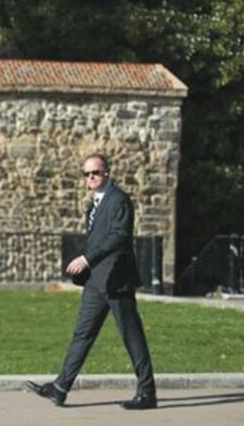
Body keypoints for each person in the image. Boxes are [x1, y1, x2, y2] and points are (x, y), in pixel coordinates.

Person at [25, 153, 157, 410]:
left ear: (107, 172)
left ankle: (147, 393)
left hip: (117, 281)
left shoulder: (119, 200)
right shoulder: (94, 203)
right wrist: (88, 266)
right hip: (97, 282)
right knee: (82, 334)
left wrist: (86, 258)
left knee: (132, 337)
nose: (91, 178)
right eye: (86, 174)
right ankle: (60, 387)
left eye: (95, 172)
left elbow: (119, 237)